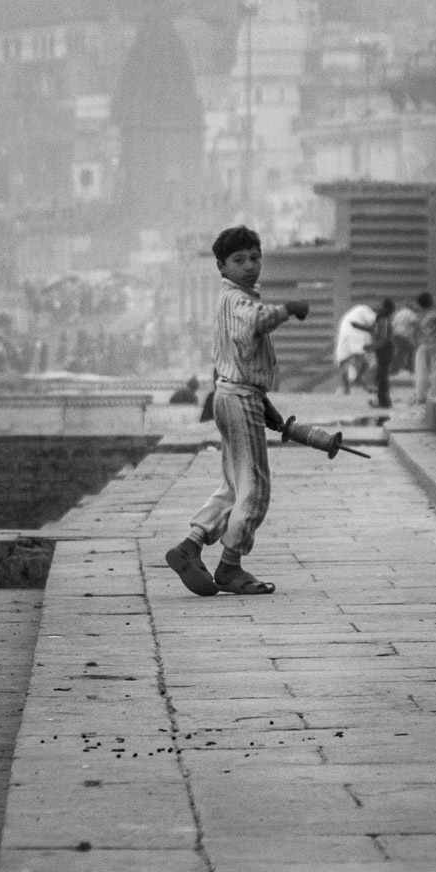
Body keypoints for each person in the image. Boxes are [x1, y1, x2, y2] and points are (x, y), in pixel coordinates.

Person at [165, 224, 308, 597]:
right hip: (239, 399)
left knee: (234, 485)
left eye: (255, 258)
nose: (249, 266)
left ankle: (191, 544)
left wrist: (267, 407)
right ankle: (230, 566)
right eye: (239, 260)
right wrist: (288, 309)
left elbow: (235, 363)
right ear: (221, 267)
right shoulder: (240, 302)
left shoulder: (231, 300)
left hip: (231, 395)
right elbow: (257, 322)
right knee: (256, 487)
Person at [335, 303, 376, 394]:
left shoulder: (354, 311)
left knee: (343, 360)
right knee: (367, 360)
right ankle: (359, 380)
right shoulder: (366, 309)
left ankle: (347, 387)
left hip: (345, 333)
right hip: (356, 333)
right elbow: (374, 323)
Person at [414, 291, 436, 403]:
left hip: (422, 345)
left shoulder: (418, 316)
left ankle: (421, 396)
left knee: (421, 370)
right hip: (435, 343)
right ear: (431, 301)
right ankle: (435, 394)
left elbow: (415, 332)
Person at [391, 303, 418, 375]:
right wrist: (414, 334)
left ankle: (394, 369)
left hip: (396, 335)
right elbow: (414, 323)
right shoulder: (411, 313)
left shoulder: (398, 313)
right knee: (410, 351)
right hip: (405, 336)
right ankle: (408, 368)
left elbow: (393, 325)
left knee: (400, 353)